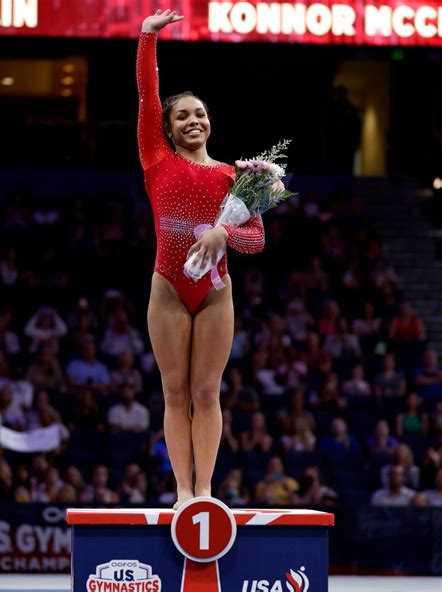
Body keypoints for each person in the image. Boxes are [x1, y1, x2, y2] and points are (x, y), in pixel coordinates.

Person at [137, 9, 265, 508]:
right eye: (183, 116)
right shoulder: (156, 160)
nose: (194, 120)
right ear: (167, 130)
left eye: (200, 113)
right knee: (174, 393)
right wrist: (147, 38)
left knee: (207, 393)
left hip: (215, 293)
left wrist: (221, 231)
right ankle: (182, 490)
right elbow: (149, 97)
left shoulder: (236, 176)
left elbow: (255, 241)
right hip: (168, 286)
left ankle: (206, 490)